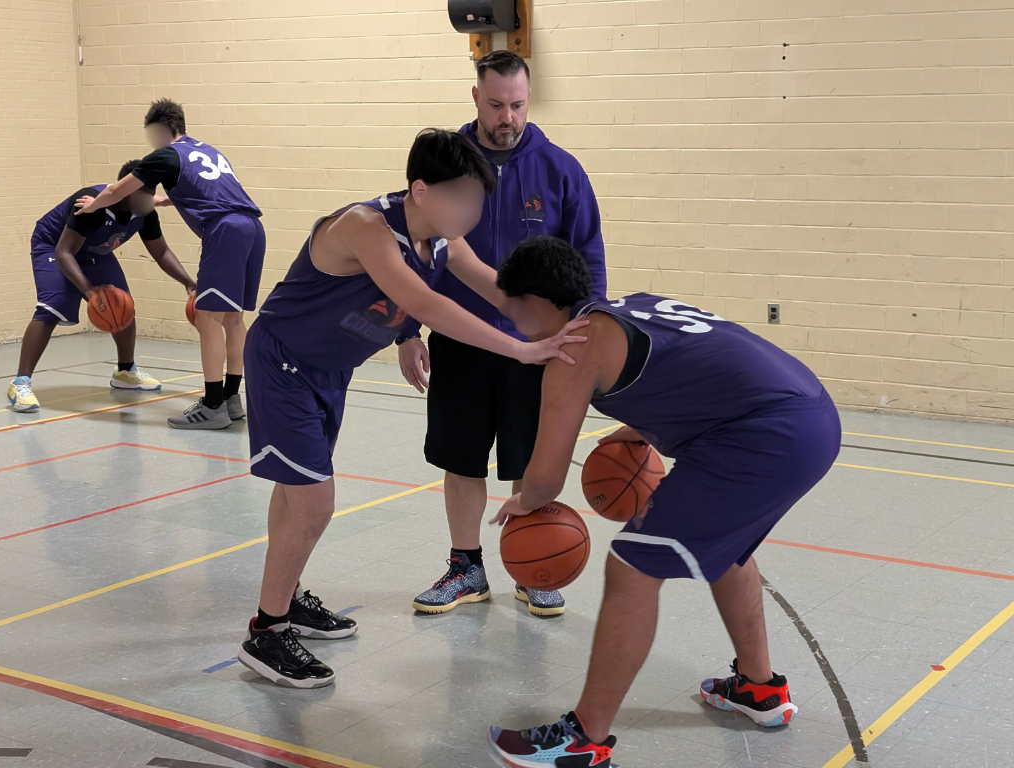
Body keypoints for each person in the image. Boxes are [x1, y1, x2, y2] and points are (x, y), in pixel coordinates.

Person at [236, 130, 589, 689]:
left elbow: (499, 290)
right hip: (285, 364)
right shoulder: (365, 227)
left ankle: (286, 598)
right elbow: (425, 303)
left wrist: (561, 322)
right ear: (421, 191)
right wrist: (521, 348)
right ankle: (268, 632)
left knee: (295, 495)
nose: (474, 212)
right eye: (465, 199)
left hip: (328, 372)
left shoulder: (444, 242)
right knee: (313, 503)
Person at [484, 237, 842, 768]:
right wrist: (636, 429)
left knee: (630, 564)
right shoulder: (633, 306)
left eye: (512, 310)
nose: (513, 324)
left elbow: (546, 479)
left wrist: (523, 501)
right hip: (811, 414)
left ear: (536, 303)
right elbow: (700, 367)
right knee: (728, 548)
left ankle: (583, 738)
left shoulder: (573, 348)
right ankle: (758, 690)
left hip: (764, 437)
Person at [402, 50, 607, 619]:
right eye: (496, 104)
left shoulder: (562, 170)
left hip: (540, 346)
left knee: (530, 457)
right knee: (461, 458)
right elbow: (414, 251)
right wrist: (407, 331)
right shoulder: (448, 165)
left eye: (517, 104)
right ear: (475, 98)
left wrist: (587, 337)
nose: (507, 117)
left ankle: (532, 563)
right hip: (461, 337)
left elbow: (589, 260)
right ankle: (466, 568)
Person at [75, 98, 264, 430]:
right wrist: (163, 200)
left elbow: (119, 190)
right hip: (252, 228)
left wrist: (93, 204)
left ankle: (213, 405)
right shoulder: (209, 151)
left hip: (224, 231)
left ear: (162, 130)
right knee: (233, 319)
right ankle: (232, 399)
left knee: (208, 319)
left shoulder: (165, 154)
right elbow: (202, 191)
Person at [7, 160, 196, 412]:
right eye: (145, 192)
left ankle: (125, 372)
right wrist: (89, 290)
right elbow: (64, 253)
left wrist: (188, 282)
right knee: (52, 307)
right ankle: (20, 382)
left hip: (95, 252)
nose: (150, 197)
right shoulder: (92, 204)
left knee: (122, 305)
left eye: (152, 192)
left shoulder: (145, 210)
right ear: (125, 190)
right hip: (54, 246)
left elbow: (161, 252)